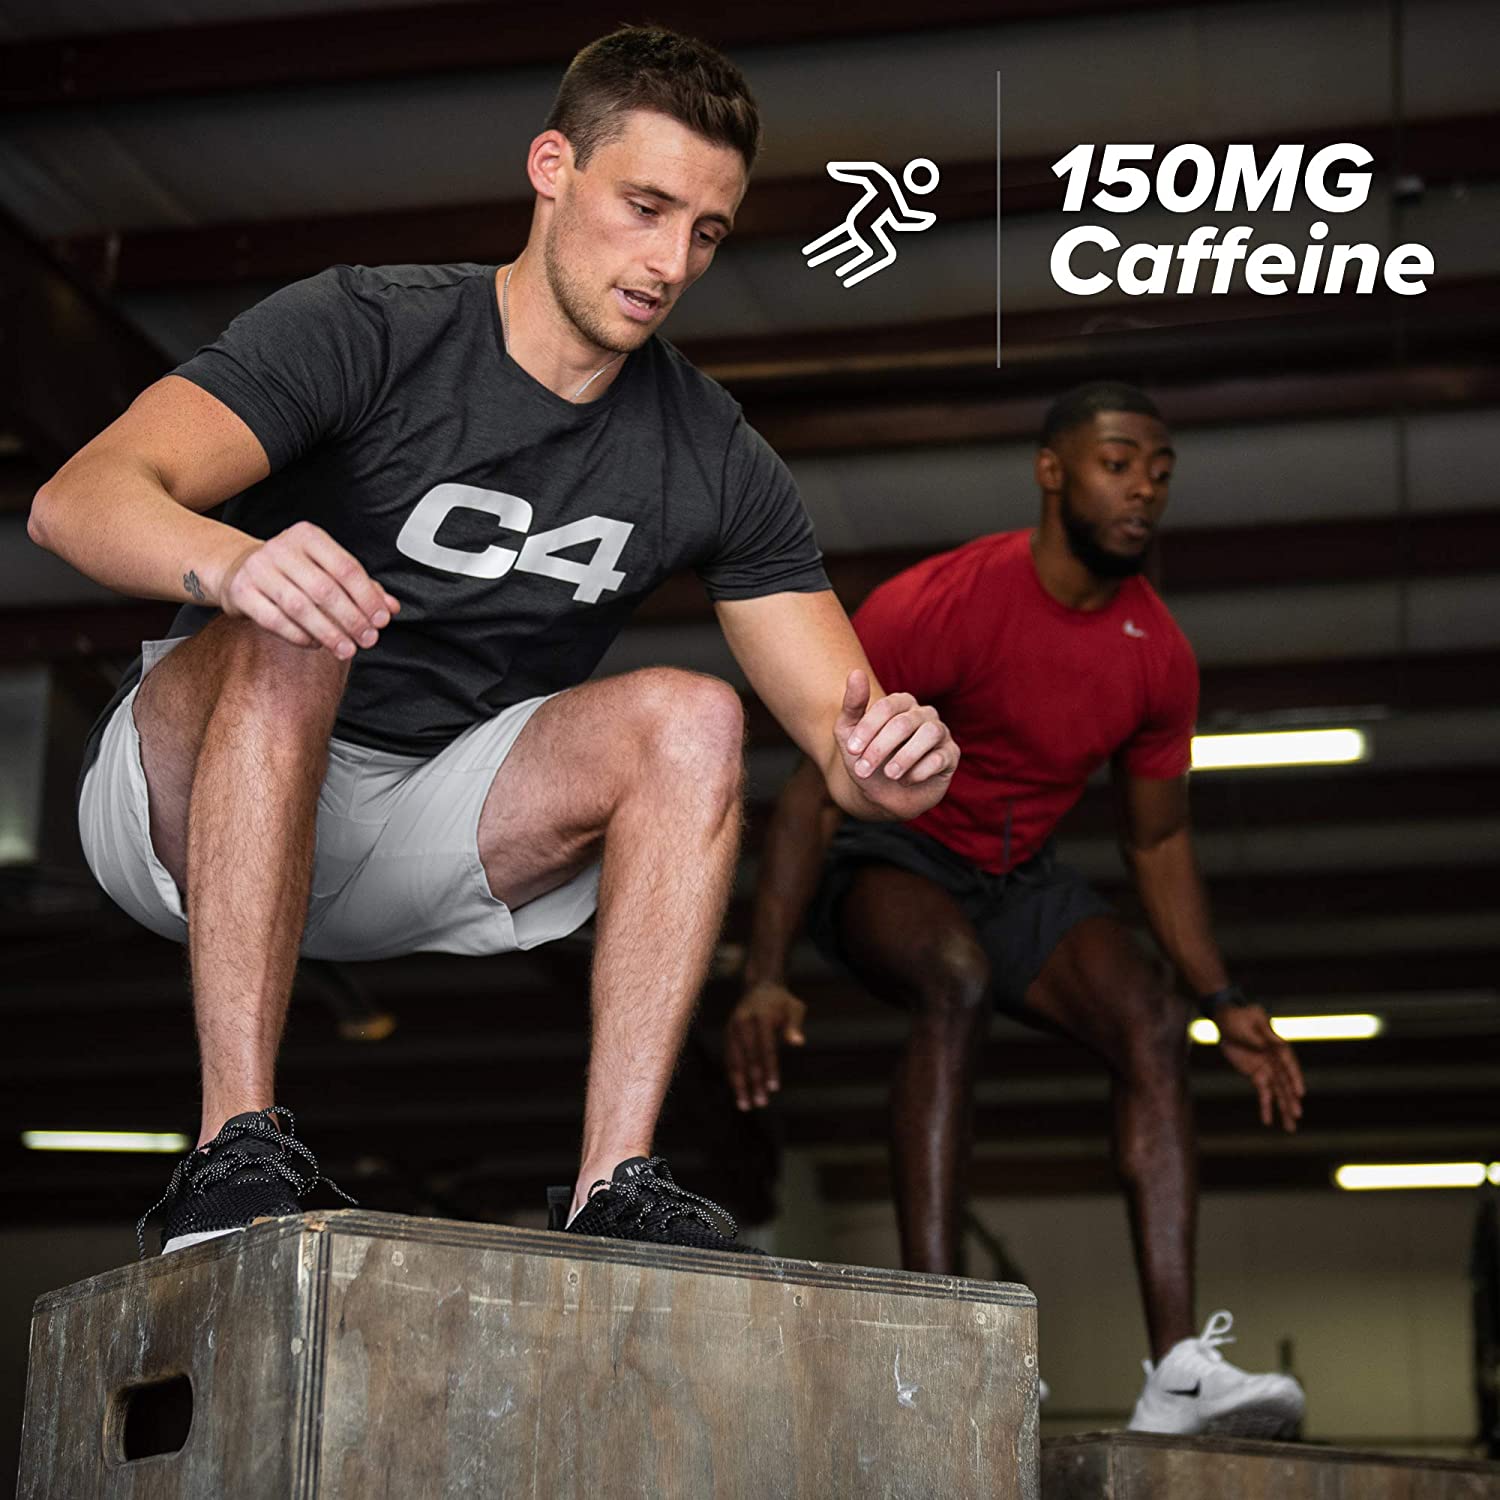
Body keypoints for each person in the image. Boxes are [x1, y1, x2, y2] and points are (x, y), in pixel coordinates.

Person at [28, 26, 959, 1259]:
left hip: (422, 825)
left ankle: (613, 1185)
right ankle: (231, 1155)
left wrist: (899, 768)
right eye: (644, 208)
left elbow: (849, 752)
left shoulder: (709, 450)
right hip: (188, 804)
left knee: (695, 717)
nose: (670, 261)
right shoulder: (368, 327)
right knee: (298, 621)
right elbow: (76, 500)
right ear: (552, 167)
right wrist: (239, 563)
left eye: (706, 232)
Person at [725, 381, 1308, 1435]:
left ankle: (1178, 1373)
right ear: (1052, 470)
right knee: (955, 979)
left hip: (1017, 872)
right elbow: (811, 790)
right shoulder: (943, 603)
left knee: (1150, 1017)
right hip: (890, 852)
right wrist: (764, 976)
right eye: (1118, 463)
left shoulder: (1156, 652)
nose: (1143, 490)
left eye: (1160, 472)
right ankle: (947, 1338)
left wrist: (1223, 996)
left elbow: (1157, 841)